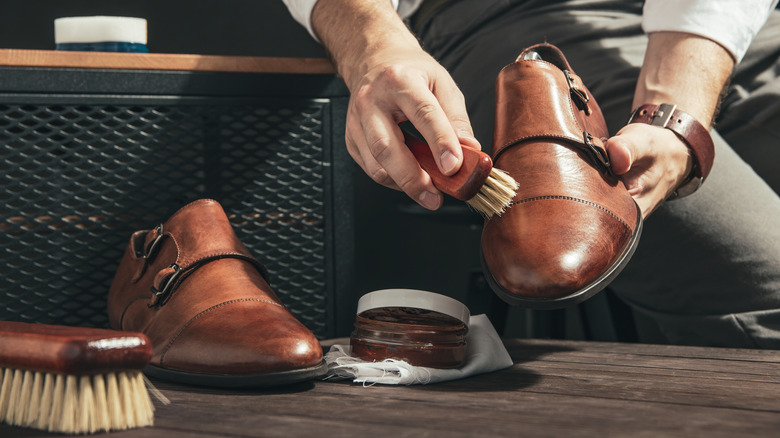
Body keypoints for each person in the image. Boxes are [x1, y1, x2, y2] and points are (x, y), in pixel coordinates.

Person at [283, 0, 780, 348]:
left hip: (746, 24)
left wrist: (675, 102)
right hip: (505, 21)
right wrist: (374, 48)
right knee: (768, 286)